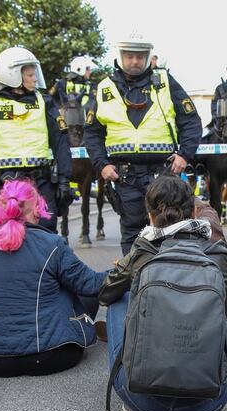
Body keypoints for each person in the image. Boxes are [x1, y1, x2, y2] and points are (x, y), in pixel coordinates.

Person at [99, 176, 227, 411]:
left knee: (119, 297)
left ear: (151, 215)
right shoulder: (219, 253)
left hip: (140, 396)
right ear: (195, 211)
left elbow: (105, 292)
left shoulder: (143, 249)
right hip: (212, 396)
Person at [0, 179, 105, 377]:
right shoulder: (51, 243)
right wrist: (124, 269)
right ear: (36, 209)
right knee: (74, 286)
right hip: (51, 355)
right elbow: (91, 284)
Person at [84, 31, 202, 255]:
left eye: (140, 56)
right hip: (124, 176)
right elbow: (92, 133)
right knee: (131, 234)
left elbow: (191, 121)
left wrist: (184, 155)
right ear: (120, 56)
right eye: (129, 56)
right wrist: (102, 164)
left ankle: (165, 283)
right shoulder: (104, 88)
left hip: (162, 175)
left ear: (148, 57)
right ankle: (134, 286)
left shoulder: (166, 82)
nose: (135, 61)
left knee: (168, 231)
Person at [0, 46, 72, 234]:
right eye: (30, 75)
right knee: (6, 234)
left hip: (40, 180)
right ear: (13, 76)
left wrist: (64, 180)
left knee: (45, 233)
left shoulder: (44, 101)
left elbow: (60, 141)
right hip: (6, 182)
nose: (35, 78)